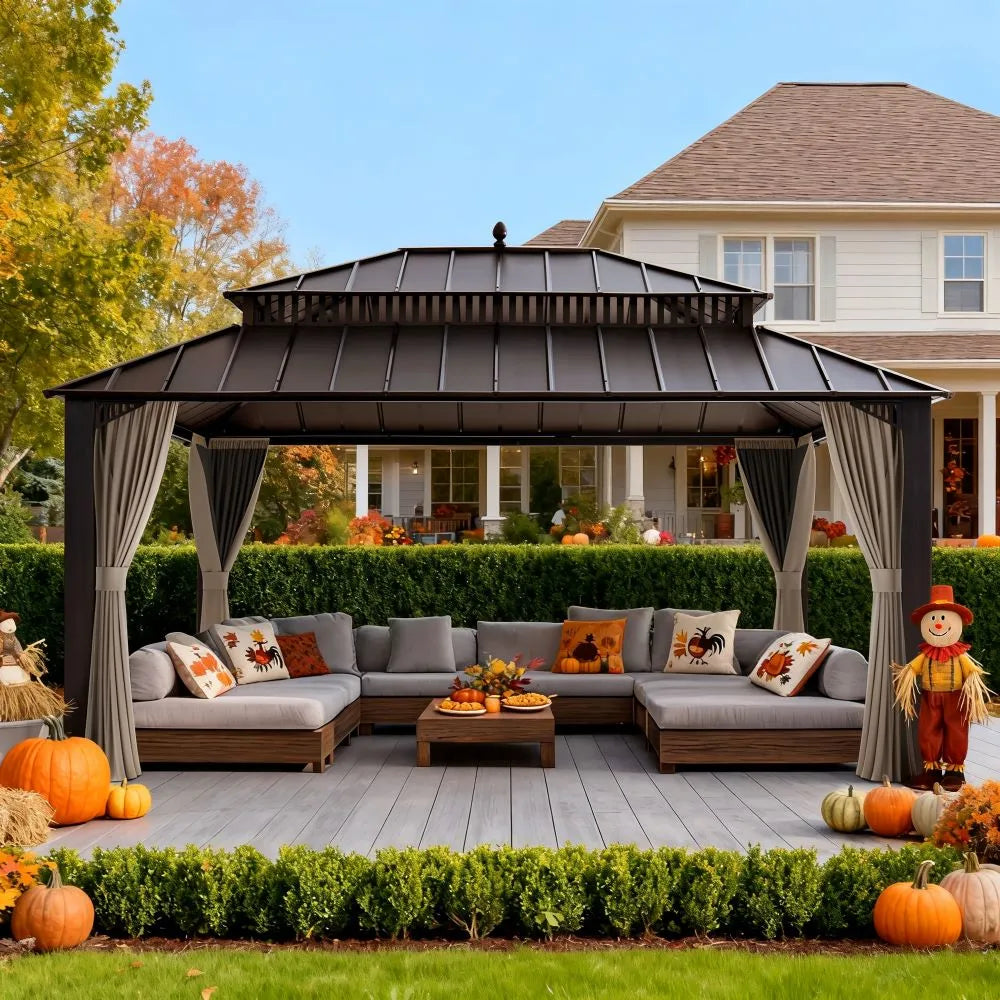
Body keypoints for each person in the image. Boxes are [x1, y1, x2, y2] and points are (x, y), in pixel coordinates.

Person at [893, 585, 992, 790]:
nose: (938, 624)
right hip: (930, 697)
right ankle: (932, 770)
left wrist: (973, 683)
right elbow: (910, 669)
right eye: (933, 619)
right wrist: (907, 676)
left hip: (956, 697)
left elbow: (974, 671)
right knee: (928, 730)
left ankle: (955, 772)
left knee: (957, 730)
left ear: (956, 623)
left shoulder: (960, 656)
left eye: (943, 619)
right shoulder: (925, 655)